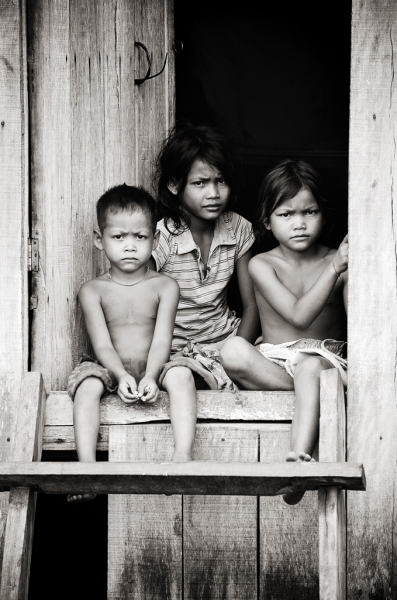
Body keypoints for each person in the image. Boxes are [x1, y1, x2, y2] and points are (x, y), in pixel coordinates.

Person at [220, 159, 348, 504]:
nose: (300, 224)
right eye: (286, 214)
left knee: (309, 364)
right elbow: (298, 314)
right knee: (231, 350)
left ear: (323, 214)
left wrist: (338, 267)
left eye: (310, 212)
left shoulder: (340, 261)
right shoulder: (263, 264)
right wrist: (335, 269)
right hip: (275, 360)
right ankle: (310, 394)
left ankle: (298, 467)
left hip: (323, 361)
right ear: (266, 220)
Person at [150, 122, 259, 462]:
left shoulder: (237, 227)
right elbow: (141, 306)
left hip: (227, 340)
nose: (213, 193)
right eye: (200, 183)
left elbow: (252, 306)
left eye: (220, 181)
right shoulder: (161, 236)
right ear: (174, 185)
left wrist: (238, 347)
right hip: (178, 350)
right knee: (183, 376)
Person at [66, 184, 179, 502]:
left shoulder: (165, 286)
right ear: (99, 240)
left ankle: (183, 459)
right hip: (109, 368)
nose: (130, 246)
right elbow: (101, 345)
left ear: (154, 240)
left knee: (183, 375)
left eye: (140, 237)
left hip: (155, 368)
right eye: (119, 237)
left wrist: (152, 376)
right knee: (87, 386)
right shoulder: (92, 291)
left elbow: (162, 342)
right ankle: (86, 472)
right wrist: (120, 375)